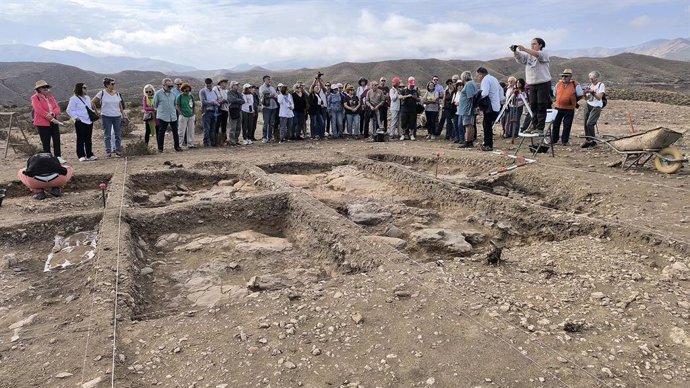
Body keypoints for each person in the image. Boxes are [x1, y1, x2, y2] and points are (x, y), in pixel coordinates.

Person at [513, 37, 551, 134]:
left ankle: (540, 127)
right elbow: (521, 59)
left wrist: (525, 49)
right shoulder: (529, 56)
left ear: (540, 45)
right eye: (531, 44)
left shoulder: (544, 53)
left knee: (541, 105)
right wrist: (516, 52)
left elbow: (538, 55)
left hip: (543, 83)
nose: (532, 45)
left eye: (534, 44)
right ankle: (534, 126)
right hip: (531, 84)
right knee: (533, 105)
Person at [31, 80, 65, 163]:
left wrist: (53, 114)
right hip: (42, 123)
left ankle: (58, 157)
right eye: (43, 87)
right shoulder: (35, 98)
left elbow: (57, 108)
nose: (46, 89)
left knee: (56, 139)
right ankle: (48, 158)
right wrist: (50, 117)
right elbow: (39, 110)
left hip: (53, 121)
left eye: (47, 87)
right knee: (46, 141)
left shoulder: (51, 97)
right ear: (39, 89)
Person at [92, 77, 126, 158]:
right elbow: (93, 102)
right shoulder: (102, 93)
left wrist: (123, 114)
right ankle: (108, 151)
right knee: (107, 135)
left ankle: (117, 150)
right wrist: (97, 113)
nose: (114, 85)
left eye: (114, 83)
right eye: (112, 84)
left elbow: (119, 104)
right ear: (107, 85)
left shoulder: (117, 93)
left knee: (118, 134)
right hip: (106, 116)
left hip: (117, 116)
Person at [66, 83, 97, 161]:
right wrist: (76, 118)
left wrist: (93, 112)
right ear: (80, 89)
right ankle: (81, 155)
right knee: (80, 138)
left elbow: (89, 108)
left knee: (88, 138)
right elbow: (69, 110)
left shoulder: (87, 98)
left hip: (89, 120)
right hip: (80, 121)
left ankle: (89, 155)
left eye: (86, 87)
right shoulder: (74, 99)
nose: (86, 89)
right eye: (84, 88)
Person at [475, 67, 503, 151]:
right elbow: (501, 90)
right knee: (488, 125)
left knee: (487, 126)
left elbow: (485, 93)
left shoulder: (485, 80)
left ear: (481, 74)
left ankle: (488, 144)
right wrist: (500, 100)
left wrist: (477, 97)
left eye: (478, 75)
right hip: (495, 105)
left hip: (489, 106)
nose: (478, 77)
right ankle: (487, 143)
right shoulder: (494, 78)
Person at [552, 69, 583, 146]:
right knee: (555, 124)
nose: (564, 77)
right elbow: (555, 94)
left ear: (570, 77)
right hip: (558, 107)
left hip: (569, 109)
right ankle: (554, 139)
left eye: (566, 76)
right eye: (563, 76)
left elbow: (580, 95)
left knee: (567, 125)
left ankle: (564, 141)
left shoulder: (575, 84)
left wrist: (572, 101)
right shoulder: (558, 84)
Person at [153, 78, 181, 152]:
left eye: (171, 86)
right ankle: (160, 148)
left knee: (175, 132)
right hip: (163, 116)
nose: (171, 87)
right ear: (164, 85)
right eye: (169, 86)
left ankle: (177, 147)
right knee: (161, 132)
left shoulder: (173, 94)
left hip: (173, 115)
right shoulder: (158, 94)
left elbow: (175, 104)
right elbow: (155, 104)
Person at [582, 71, 606, 148]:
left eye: (593, 78)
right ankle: (588, 140)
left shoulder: (601, 85)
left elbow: (599, 98)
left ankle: (593, 141)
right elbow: (586, 99)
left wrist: (592, 93)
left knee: (590, 123)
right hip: (588, 104)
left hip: (596, 106)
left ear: (597, 78)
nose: (591, 80)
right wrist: (584, 93)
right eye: (590, 78)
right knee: (585, 123)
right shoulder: (590, 85)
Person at [457, 71, 477, 148]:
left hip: (467, 109)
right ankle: (469, 141)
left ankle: (468, 141)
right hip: (468, 108)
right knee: (470, 125)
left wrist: (472, 107)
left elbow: (470, 97)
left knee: (468, 125)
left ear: (464, 77)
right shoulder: (471, 83)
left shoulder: (469, 84)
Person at [505, 78, 528, 143]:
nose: (518, 84)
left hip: (519, 107)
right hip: (512, 106)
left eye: (519, 83)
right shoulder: (513, 90)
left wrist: (519, 103)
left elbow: (525, 100)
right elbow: (509, 98)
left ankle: (515, 133)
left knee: (517, 120)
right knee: (511, 119)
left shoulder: (523, 92)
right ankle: (510, 132)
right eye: (517, 82)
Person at [199, 78, 220, 146]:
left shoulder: (214, 91)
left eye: (210, 84)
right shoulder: (203, 91)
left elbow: (217, 99)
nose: (209, 86)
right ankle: (206, 143)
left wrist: (219, 101)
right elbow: (203, 101)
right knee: (207, 128)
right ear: (205, 84)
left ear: (212, 84)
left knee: (213, 128)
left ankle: (212, 142)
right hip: (206, 112)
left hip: (214, 111)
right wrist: (213, 102)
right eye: (207, 84)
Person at [399, 76, 420, 141]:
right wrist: (407, 96)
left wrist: (414, 97)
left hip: (413, 109)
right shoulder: (404, 90)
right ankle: (403, 134)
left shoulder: (415, 91)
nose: (412, 86)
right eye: (411, 85)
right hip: (405, 109)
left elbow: (419, 99)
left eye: (413, 85)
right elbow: (399, 97)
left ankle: (411, 134)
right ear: (408, 83)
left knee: (412, 122)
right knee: (404, 122)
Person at [176, 83, 196, 148]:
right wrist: (181, 113)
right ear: (183, 90)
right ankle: (179, 144)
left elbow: (193, 105)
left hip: (191, 115)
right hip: (183, 115)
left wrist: (193, 112)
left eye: (189, 90)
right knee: (181, 131)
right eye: (186, 91)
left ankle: (190, 144)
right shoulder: (180, 96)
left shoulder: (191, 96)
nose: (187, 92)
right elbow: (177, 105)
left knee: (191, 130)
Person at [259, 75, 278, 143]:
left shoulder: (272, 88)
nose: (269, 80)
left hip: (273, 107)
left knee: (271, 123)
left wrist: (270, 95)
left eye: (270, 79)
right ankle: (264, 137)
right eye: (268, 79)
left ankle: (269, 137)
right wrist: (271, 95)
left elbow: (276, 95)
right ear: (264, 80)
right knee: (266, 122)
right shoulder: (262, 87)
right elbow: (263, 94)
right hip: (266, 107)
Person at [227, 81, 244, 146]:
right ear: (232, 86)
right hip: (232, 111)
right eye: (236, 85)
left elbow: (243, 101)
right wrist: (238, 100)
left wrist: (236, 100)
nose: (237, 86)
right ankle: (232, 141)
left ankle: (236, 140)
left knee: (238, 127)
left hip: (239, 110)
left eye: (237, 85)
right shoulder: (229, 93)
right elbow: (231, 100)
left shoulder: (239, 93)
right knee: (233, 127)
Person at [213, 79, 229, 146]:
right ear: (220, 83)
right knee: (216, 125)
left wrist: (225, 100)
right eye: (223, 83)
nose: (224, 84)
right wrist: (220, 100)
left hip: (225, 109)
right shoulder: (216, 89)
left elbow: (228, 100)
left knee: (224, 125)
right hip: (218, 109)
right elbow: (214, 97)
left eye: (225, 83)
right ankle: (216, 140)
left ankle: (223, 140)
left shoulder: (227, 91)